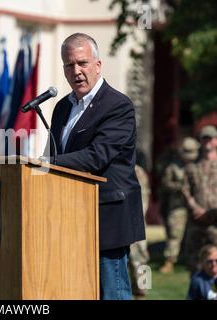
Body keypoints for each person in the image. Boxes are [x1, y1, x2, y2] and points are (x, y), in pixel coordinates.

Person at [47, 33, 145, 300]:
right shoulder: (61, 108)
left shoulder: (118, 105)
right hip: (68, 216)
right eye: (69, 65)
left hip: (107, 217)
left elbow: (96, 157)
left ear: (98, 65)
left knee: (112, 292)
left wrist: (46, 164)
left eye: (82, 63)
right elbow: (55, 155)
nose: (76, 71)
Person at [182, 125, 217, 274]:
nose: (207, 142)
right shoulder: (192, 167)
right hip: (196, 223)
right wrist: (196, 209)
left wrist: (213, 211)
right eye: (204, 138)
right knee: (195, 266)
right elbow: (185, 191)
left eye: (210, 138)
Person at [159, 137, 200, 273]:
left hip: (196, 205)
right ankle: (170, 260)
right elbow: (165, 183)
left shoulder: (199, 165)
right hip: (178, 206)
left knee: (195, 233)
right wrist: (179, 187)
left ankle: (193, 261)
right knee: (174, 234)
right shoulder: (173, 166)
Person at [129, 164, 150, 298]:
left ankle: (143, 292)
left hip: (135, 222)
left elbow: (143, 201)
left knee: (141, 259)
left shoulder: (137, 171)